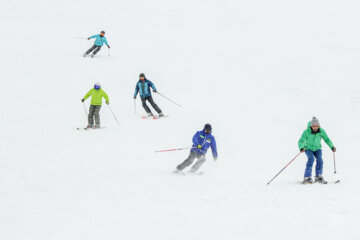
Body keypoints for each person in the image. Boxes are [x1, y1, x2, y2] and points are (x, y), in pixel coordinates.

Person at [298, 117, 336, 184]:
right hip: (308, 148)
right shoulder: (306, 132)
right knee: (311, 159)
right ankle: (307, 177)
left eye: (317, 126)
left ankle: (318, 176)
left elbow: (327, 139)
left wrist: (332, 146)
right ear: (311, 126)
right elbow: (301, 141)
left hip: (317, 149)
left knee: (320, 160)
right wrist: (301, 147)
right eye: (314, 126)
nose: (315, 128)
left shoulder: (321, 131)